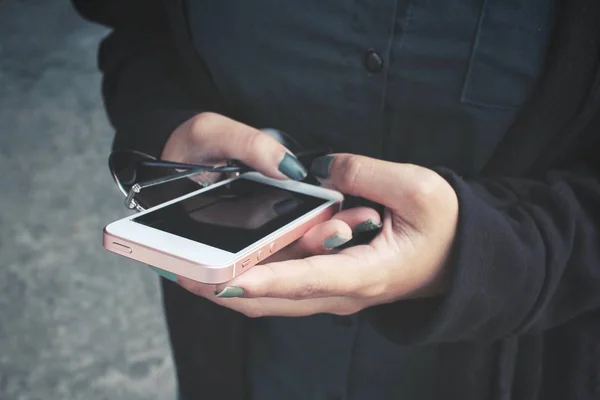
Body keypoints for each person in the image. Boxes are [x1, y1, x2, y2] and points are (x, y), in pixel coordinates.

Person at [73, 0, 600, 399]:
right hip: (239, 353)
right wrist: (165, 130)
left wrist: (478, 254)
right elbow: (140, 27)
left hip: (506, 362)